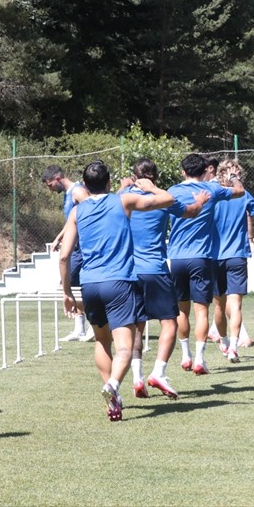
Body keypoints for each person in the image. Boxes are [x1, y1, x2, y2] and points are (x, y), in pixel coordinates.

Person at [58, 160, 175, 422]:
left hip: (90, 285)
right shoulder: (123, 201)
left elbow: (64, 257)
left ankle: (114, 401)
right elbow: (168, 200)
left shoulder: (77, 212)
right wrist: (151, 186)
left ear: (85, 185)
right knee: (124, 348)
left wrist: (67, 293)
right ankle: (112, 385)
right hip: (120, 283)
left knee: (101, 341)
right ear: (109, 182)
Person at [165, 153, 244, 375]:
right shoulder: (213, 190)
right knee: (201, 311)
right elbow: (239, 192)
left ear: (183, 171)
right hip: (201, 258)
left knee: (182, 309)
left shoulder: (171, 191)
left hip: (177, 258)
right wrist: (234, 177)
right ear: (204, 171)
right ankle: (200, 359)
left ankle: (185, 355)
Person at [119, 159, 183, 399]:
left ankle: (137, 379)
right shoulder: (160, 199)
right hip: (154, 269)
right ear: (155, 176)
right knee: (169, 323)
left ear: (133, 176)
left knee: (136, 325)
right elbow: (186, 209)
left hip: (129, 272)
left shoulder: (123, 199)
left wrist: (124, 187)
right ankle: (159, 372)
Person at [209, 160, 254, 363]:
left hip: (215, 256)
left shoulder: (211, 192)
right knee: (232, 305)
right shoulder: (243, 193)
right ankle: (232, 346)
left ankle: (228, 344)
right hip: (235, 254)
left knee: (222, 306)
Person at [43, 164, 91, 341]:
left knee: (74, 283)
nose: (50, 189)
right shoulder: (67, 194)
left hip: (82, 249)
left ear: (57, 178)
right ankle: (80, 328)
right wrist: (59, 237)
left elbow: (90, 214)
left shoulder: (77, 191)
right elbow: (72, 221)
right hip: (75, 249)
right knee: (73, 285)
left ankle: (95, 325)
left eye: (50, 185)